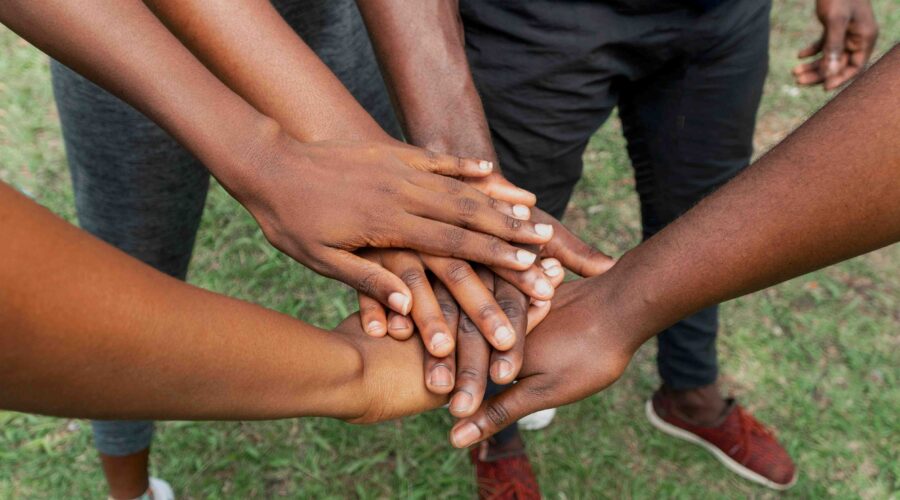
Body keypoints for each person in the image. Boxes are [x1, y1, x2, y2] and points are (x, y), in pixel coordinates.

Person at [1, 1, 608, 497]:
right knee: (132, 259)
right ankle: (128, 489)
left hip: (322, 28)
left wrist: (454, 182)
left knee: (393, 205)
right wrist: (355, 373)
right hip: (116, 32)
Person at [349, 0, 878, 494]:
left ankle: (690, 391)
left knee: (709, 211)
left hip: (721, 17)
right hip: (535, 19)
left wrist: (620, 310)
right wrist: (460, 169)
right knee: (503, 234)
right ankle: (495, 421)